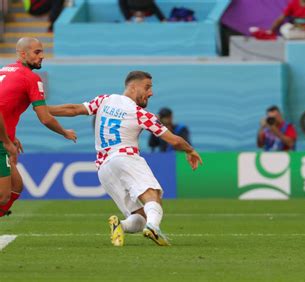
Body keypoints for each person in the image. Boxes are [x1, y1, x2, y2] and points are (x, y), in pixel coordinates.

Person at [48, 71, 202, 247]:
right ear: (133, 86)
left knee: (141, 216)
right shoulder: (140, 113)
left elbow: (74, 109)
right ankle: (154, 228)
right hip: (125, 157)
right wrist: (190, 150)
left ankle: (119, 225)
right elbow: (173, 140)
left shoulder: (104, 100)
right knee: (153, 195)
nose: (151, 92)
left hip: (104, 168)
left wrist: (42, 108)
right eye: (147, 87)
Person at [0, 37, 77, 217]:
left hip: (4, 136)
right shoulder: (31, 78)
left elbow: (5, 107)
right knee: (3, 196)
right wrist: (64, 132)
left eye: (42, 51)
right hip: (1, 141)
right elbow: (45, 117)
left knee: (16, 186)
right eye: (37, 52)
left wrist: (11, 137)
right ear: (23, 54)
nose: (42, 56)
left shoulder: (5, 70)